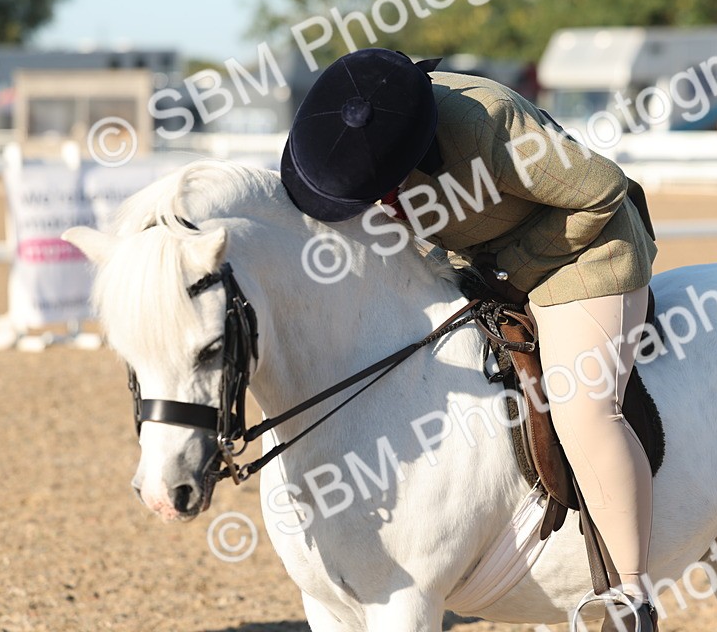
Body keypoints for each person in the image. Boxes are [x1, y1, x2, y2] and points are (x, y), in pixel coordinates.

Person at [281, 48, 659, 632]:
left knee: (582, 405)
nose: (380, 207)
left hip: (586, 253)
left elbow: (601, 190)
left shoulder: (490, 124)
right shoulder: (363, 145)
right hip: (480, 263)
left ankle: (630, 596)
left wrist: (509, 268)